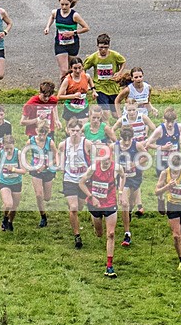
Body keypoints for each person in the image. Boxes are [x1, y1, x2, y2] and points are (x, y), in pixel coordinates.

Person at [79, 144, 125, 278]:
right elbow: (81, 183)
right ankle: (97, 227)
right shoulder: (93, 168)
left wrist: (121, 192)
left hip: (110, 203)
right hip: (95, 204)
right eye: (104, 160)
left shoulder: (116, 167)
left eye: (108, 160)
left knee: (110, 234)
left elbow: (123, 176)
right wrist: (91, 197)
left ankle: (109, 266)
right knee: (99, 233)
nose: (106, 163)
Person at [112, 99, 156, 217]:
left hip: (139, 150)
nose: (131, 112)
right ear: (125, 109)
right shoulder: (123, 119)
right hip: (127, 148)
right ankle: (137, 204)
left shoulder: (142, 117)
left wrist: (148, 141)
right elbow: (112, 130)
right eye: (128, 110)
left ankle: (138, 204)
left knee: (135, 175)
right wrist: (117, 143)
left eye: (133, 110)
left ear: (137, 108)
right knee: (127, 174)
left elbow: (155, 129)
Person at [56, 118, 93, 249]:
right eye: (72, 130)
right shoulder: (63, 145)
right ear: (67, 130)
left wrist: (90, 173)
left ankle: (75, 222)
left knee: (80, 206)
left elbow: (94, 162)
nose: (75, 133)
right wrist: (59, 166)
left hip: (84, 180)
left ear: (81, 131)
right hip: (69, 179)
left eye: (77, 130)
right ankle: (77, 235)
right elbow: (59, 158)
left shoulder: (87, 144)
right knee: (73, 207)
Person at [144, 107, 181, 214]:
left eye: (172, 122)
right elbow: (148, 144)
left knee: (175, 180)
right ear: (164, 120)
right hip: (162, 160)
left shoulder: (179, 127)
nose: (170, 124)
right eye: (168, 122)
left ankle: (173, 202)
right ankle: (161, 199)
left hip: (175, 160)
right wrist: (162, 147)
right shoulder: (160, 130)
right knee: (162, 182)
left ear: (175, 120)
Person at [114, 127, 149, 247]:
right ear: (121, 138)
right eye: (125, 140)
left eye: (129, 140)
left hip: (134, 177)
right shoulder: (116, 146)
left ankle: (128, 212)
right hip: (122, 178)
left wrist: (135, 164)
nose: (127, 143)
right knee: (124, 203)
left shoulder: (137, 145)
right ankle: (127, 233)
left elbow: (146, 157)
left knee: (132, 203)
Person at [43, 0, 90, 79]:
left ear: (70, 3)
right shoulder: (56, 12)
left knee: (71, 70)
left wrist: (73, 33)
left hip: (72, 44)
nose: (64, 7)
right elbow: (52, 17)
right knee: (64, 71)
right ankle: (61, 91)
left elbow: (86, 28)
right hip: (60, 44)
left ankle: (71, 89)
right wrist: (47, 27)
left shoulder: (75, 15)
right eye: (62, 4)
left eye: (66, 4)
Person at [84, 33, 126, 120]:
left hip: (113, 87)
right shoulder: (93, 57)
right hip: (100, 87)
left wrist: (119, 72)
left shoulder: (115, 55)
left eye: (106, 48)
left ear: (109, 46)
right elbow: (83, 69)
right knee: (105, 112)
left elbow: (123, 62)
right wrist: (87, 83)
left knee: (115, 114)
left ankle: (119, 127)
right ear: (97, 46)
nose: (103, 50)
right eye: (101, 48)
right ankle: (106, 130)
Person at [25, 119, 57, 228]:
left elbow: (56, 158)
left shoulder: (50, 142)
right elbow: (23, 154)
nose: (42, 136)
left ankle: (42, 201)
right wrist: (29, 166)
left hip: (48, 170)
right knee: (38, 194)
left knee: (47, 197)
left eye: (44, 133)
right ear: (35, 131)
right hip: (36, 170)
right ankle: (43, 216)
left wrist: (46, 165)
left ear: (48, 133)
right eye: (40, 133)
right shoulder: (31, 141)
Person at [0, 135, 27, 232]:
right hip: (4, 182)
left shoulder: (18, 154)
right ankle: (4, 219)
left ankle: (10, 222)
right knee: (8, 204)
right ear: (2, 146)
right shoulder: (0, 154)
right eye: (6, 148)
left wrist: (13, 169)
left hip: (16, 182)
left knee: (14, 207)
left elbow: (24, 171)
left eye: (10, 148)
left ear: (14, 145)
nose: (8, 150)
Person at [56, 56, 90, 124]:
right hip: (70, 107)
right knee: (70, 130)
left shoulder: (86, 76)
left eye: (80, 68)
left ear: (82, 67)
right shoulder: (67, 80)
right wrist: (73, 96)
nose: (78, 70)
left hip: (83, 106)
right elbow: (59, 97)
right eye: (75, 68)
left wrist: (93, 90)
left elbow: (90, 82)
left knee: (83, 128)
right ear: (71, 68)